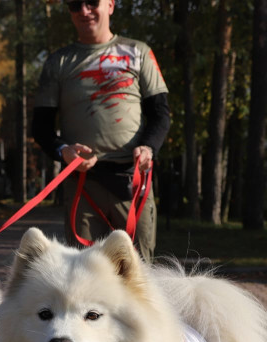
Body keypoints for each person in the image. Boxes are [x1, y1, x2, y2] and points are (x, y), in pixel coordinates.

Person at [31, 0, 170, 262]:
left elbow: (160, 114)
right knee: (84, 273)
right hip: (82, 184)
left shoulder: (138, 52)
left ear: (110, 5)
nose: (84, 10)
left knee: (138, 273)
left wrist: (149, 147)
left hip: (132, 181)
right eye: (74, 5)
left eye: (92, 2)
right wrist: (65, 151)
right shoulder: (57, 62)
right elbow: (41, 128)